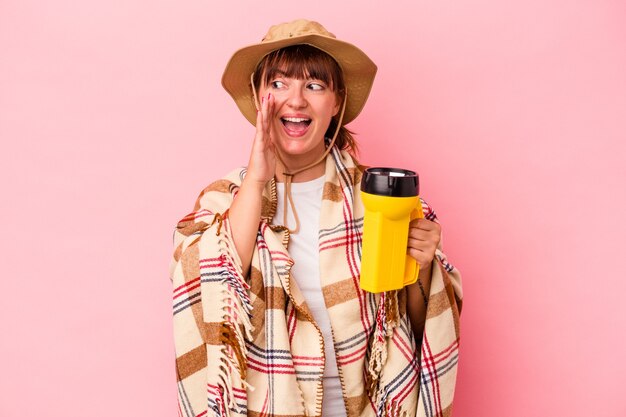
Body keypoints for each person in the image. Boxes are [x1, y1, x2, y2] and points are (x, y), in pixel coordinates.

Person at [170, 19, 463, 417]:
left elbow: (419, 327)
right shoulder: (225, 200)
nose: (295, 100)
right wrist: (256, 179)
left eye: (314, 85)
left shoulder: (379, 199)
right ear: (260, 98)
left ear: (337, 101)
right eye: (278, 84)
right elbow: (212, 290)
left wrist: (424, 268)